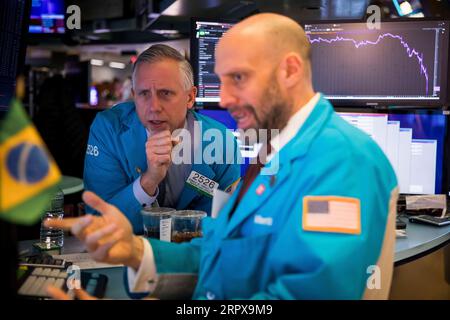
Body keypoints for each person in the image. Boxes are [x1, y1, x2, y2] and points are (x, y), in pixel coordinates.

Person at [47, 13, 398, 299]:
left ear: (290, 71)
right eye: (222, 81)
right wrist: (138, 252)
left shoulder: (341, 160)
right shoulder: (277, 153)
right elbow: (222, 250)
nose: (225, 99)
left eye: (239, 78)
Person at [83, 44, 241, 233]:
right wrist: (148, 181)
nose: (154, 107)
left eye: (165, 93)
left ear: (190, 97)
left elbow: (219, 224)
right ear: (134, 95)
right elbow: (98, 223)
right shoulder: (108, 129)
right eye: (144, 94)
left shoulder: (220, 140)